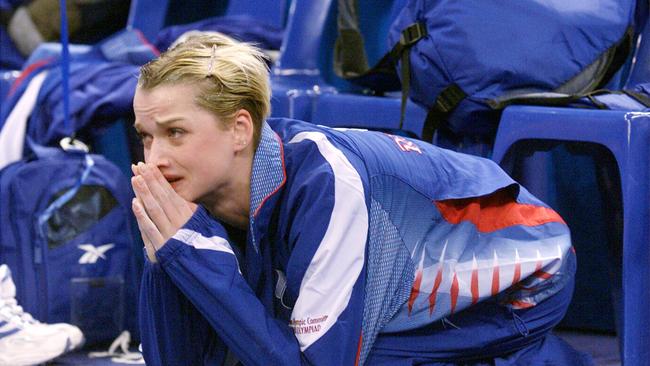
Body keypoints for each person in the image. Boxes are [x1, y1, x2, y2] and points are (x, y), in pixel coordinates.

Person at [131, 34, 590, 365]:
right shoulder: (193, 192)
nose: (156, 157)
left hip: (526, 272)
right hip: (405, 271)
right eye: (146, 137)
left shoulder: (326, 185)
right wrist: (169, 257)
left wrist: (194, 259)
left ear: (239, 129)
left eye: (176, 133)